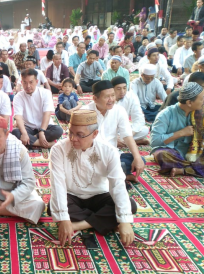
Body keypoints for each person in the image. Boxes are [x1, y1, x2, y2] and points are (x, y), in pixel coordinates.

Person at [48, 110, 136, 244]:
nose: (73, 138)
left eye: (79, 135)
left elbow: (117, 184)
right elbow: (57, 184)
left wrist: (124, 221)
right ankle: (103, 221)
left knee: (130, 205)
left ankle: (78, 224)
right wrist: (64, 218)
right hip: (71, 196)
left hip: (99, 195)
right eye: (71, 133)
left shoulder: (108, 151)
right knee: (52, 206)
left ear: (95, 134)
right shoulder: (58, 149)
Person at [82, 81, 145, 183]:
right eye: (107, 96)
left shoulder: (119, 110)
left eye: (113, 95)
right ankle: (120, 176)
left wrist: (137, 158)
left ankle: (111, 175)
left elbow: (127, 136)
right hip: (91, 156)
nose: (111, 100)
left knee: (138, 159)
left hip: (112, 156)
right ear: (95, 99)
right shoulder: (84, 112)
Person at [151, 82, 204, 177]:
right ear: (189, 102)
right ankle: (195, 168)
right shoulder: (165, 114)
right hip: (173, 152)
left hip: (197, 152)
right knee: (162, 154)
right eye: (201, 98)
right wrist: (180, 133)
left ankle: (182, 170)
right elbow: (155, 142)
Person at [12, 68, 63, 148]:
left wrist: (42, 131)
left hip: (45, 127)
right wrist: (24, 134)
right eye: (25, 83)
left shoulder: (46, 93)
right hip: (28, 128)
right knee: (15, 133)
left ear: (36, 82)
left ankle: (29, 141)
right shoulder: (18, 97)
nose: (28, 86)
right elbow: (18, 117)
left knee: (58, 130)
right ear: (21, 83)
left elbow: (47, 113)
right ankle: (47, 144)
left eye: (31, 82)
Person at [112, 76, 149, 146]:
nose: (122, 91)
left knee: (144, 130)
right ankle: (133, 142)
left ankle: (124, 141)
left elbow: (139, 119)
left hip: (122, 130)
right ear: (112, 89)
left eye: (124, 88)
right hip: (108, 129)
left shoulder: (131, 96)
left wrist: (129, 136)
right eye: (118, 89)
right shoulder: (108, 98)